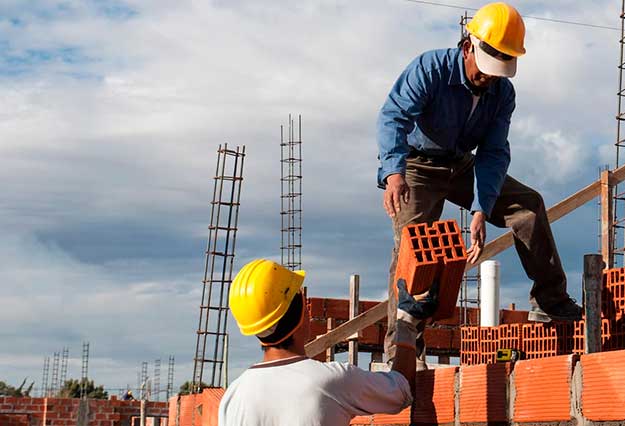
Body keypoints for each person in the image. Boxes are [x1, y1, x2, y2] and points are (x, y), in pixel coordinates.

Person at [376, 1, 583, 365]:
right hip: (417, 167)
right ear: (468, 46)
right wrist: (394, 173)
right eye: (487, 67)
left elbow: (493, 153)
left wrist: (479, 209)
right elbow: (393, 117)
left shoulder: (502, 93)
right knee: (415, 248)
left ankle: (551, 302)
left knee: (527, 206)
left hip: (462, 164)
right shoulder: (430, 69)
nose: (489, 77)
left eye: (500, 68)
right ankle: (403, 351)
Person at [218, 259, 441, 426]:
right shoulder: (330, 381)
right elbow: (401, 390)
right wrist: (406, 323)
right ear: (299, 313)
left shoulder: (233, 396)